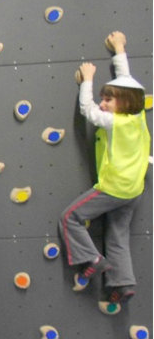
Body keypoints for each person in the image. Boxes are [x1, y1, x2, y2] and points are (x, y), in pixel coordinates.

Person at [59, 31, 150, 305]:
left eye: (109, 101)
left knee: (70, 218)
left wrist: (87, 81)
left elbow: (88, 110)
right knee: (117, 235)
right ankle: (122, 283)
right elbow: (127, 82)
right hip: (134, 189)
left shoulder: (114, 121)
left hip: (114, 188)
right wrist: (119, 49)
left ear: (122, 103)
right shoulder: (137, 116)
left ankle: (91, 259)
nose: (104, 104)